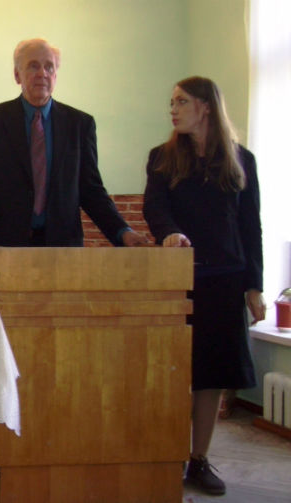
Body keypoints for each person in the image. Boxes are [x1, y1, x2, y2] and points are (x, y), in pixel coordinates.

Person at [143, 76, 265, 495]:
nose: (173, 109)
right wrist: (170, 233)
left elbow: (250, 227)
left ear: (206, 107)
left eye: (182, 101)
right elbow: (155, 207)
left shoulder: (241, 160)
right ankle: (169, 454)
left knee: (212, 376)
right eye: (172, 102)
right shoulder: (162, 158)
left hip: (226, 281)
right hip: (179, 282)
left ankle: (199, 460)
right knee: (175, 371)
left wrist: (254, 286)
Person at [0, 38, 147, 263]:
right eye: (33, 66)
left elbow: (91, 190)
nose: (42, 73)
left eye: (49, 67)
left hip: (63, 249)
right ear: (17, 75)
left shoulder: (80, 124)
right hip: (4, 248)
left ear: (56, 74)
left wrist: (122, 231)